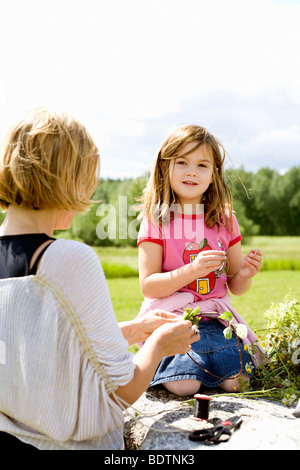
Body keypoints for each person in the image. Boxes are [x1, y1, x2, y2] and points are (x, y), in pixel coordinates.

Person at [0, 108, 200, 450]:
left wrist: (133, 330)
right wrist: (159, 345)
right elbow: (122, 391)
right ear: (69, 178)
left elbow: (38, 352)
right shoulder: (68, 259)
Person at [137, 124, 265, 397]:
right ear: (164, 168)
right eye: (182, 162)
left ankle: (213, 367)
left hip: (216, 321)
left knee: (237, 383)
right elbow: (149, 286)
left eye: (202, 165)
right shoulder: (156, 220)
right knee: (185, 384)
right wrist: (192, 270)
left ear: (214, 174)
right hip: (173, 320)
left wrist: (245, 274)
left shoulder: (225, 220)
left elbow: (235, 285)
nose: (191, 171)